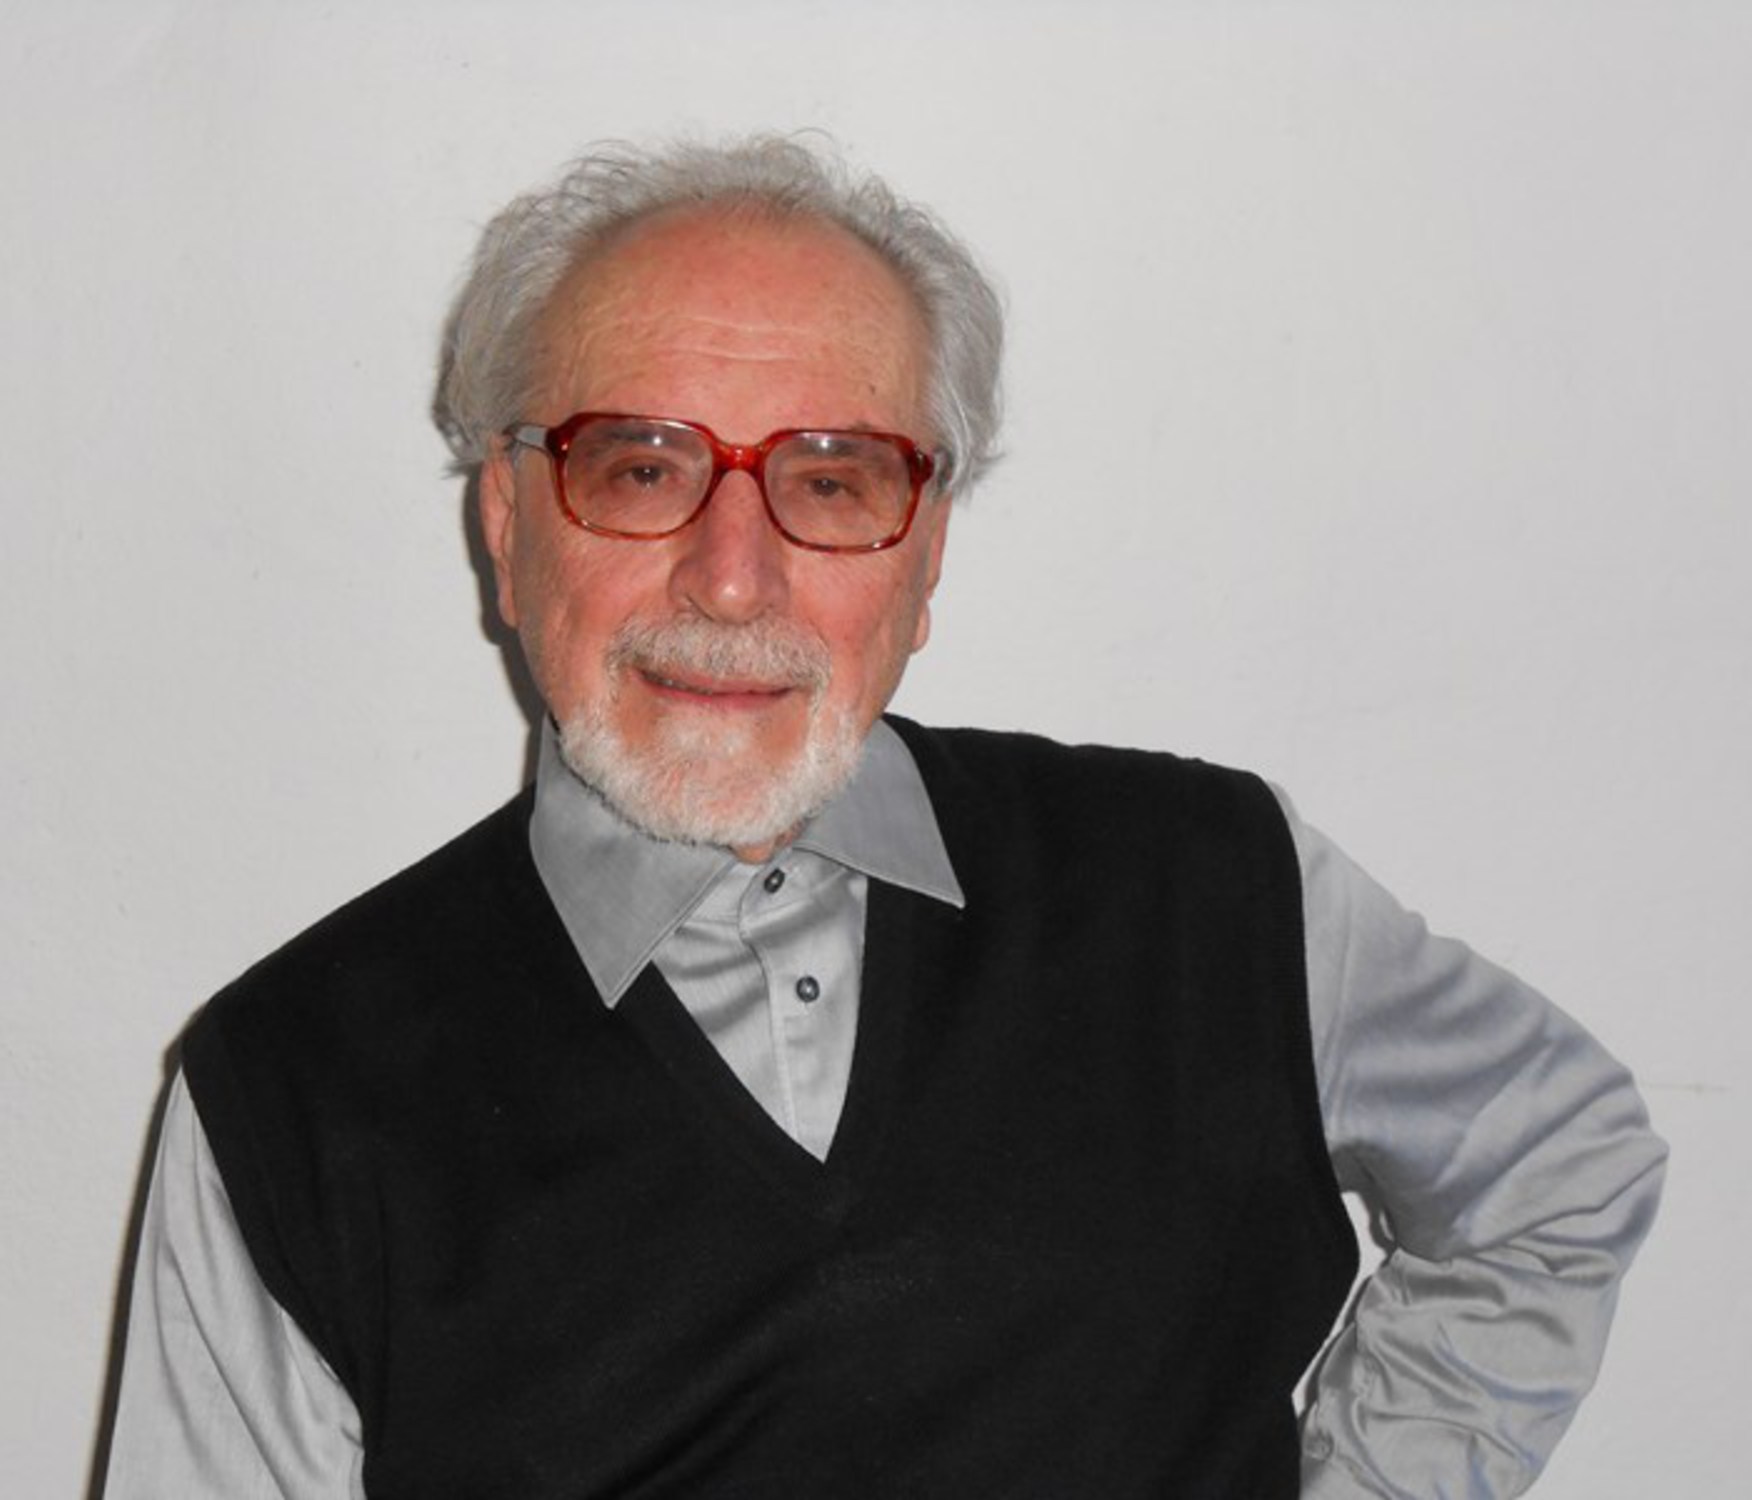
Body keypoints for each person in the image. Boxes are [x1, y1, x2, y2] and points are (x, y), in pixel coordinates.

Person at [102, 136, 1666, 1499]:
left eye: (832, 483)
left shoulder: (1210, 891)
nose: (731, 579)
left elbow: (1561, 1163)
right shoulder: (291, 1093)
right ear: (506, 529)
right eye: (640, 470)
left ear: (922, 562)